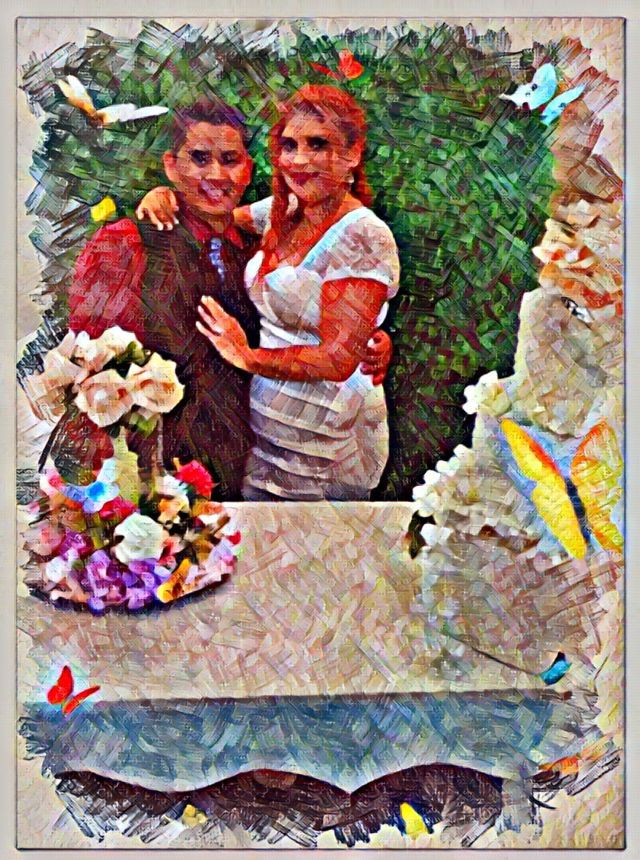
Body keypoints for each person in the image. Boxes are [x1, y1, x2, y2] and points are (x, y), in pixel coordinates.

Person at [61, 96, 391, 500]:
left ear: (247, 169)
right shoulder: (129, 245)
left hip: (302, 445)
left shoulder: (265, 242)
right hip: (160, 470)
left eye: (230, 160)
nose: (216, 174)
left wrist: (364, 338)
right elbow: (92, 367)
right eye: (199, 158)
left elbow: (332, 336)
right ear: (171, 166)